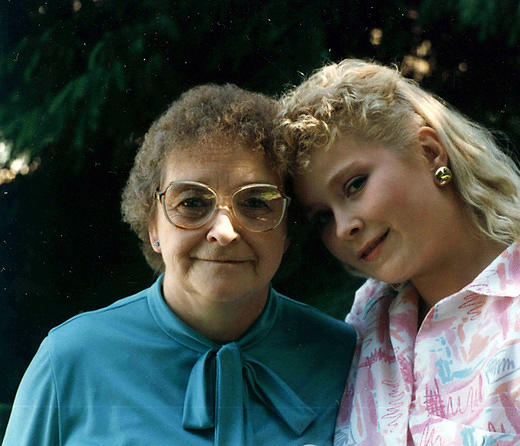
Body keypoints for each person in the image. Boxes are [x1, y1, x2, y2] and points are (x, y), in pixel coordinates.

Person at [277, 58, 520, 445]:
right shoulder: (367, 324)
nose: (343, 226)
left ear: (431, 152)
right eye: (321, 217)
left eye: (354, 185)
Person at [3, 84, 356, 445]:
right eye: (191, 203)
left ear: (287, 229)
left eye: (255, 203)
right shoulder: (70, 361)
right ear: (152, 225)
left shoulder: (344, 359)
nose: (224, 231)